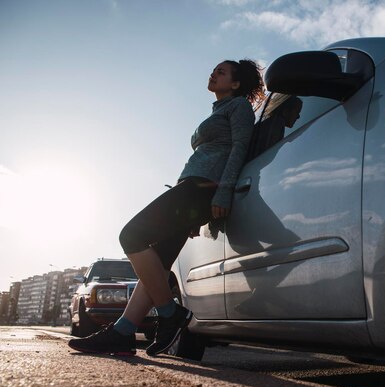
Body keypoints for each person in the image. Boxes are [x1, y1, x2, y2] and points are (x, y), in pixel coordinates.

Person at [68, 59, 265, 356]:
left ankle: (170, 314)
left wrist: (223, 192)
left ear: (236, 84)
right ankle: (123, 332)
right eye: (214, 69)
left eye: (221, 71)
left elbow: (239, 148)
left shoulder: (238, 108)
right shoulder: (219, 110)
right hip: (190, 189)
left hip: (202, 187)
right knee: (158, 265)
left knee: (131, 236)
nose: (213, 72)